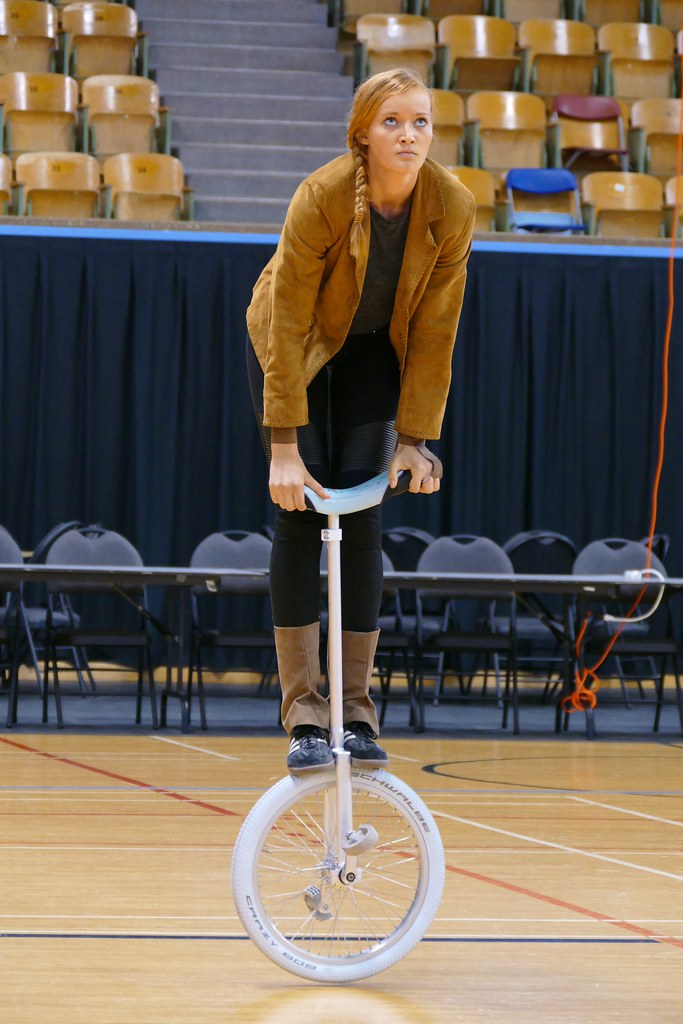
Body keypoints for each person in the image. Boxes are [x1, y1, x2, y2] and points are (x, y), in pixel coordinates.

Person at [246, 67, 475, 775]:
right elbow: (286, 320)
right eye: (391, 122)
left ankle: (354, 711)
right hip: (300, 345)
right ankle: (303, 716)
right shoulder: (320, 196)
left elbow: (436, 330)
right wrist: (282, 445)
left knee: (364, 517)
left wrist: (414, 440)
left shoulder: (449, 205)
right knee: (301, 516)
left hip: (377, 350)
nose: (408, 135)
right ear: (361, 134)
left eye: (420, 122)